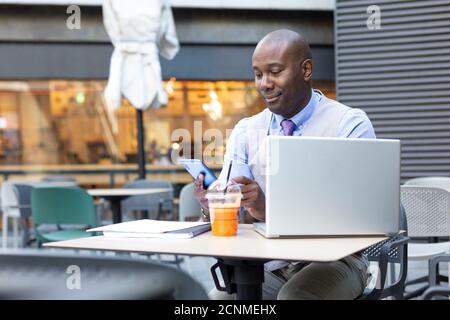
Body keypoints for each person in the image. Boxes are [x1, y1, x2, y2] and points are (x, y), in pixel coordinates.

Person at [194, 29, 375, 300]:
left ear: (306, 70)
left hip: (338, 261)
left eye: (275, 72)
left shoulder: (349, 125)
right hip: (272, 263)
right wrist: (216, 207)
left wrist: (269, 210)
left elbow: (362, 215)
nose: (264, 83)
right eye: (258, 74)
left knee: (294, 298)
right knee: (220, 299)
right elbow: (237, 217)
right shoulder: (246, 131)